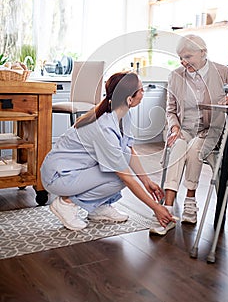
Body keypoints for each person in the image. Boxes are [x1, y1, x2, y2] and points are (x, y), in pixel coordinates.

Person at [149, 34, 228, 236]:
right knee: (179, 146)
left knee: (194, 150)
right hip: (185, 129)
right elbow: (170, 110)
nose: (184, 62)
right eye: (181, 58)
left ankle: (190, 200)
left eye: (189, 57)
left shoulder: (221, 72)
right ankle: (167, 210)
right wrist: (174, 128)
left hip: (211, 131)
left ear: (203, 53)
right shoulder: (175, 76)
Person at [41, 71, 175, 231]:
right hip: (58, 176)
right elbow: (127, 179)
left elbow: (128, 149)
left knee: (121, 167)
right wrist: (156, 208)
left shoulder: (122, 114)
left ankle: (98, 208)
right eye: (141, 89)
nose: (143, 92)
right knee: (120, 177)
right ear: (129, 99)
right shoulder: (104, 127)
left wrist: (147, 182)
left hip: (76, 170)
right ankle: (66, 204)